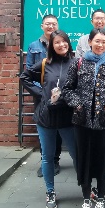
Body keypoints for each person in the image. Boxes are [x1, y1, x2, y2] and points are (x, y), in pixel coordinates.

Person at [61, 28, 105, 208]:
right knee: (84, 161)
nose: (100, 45)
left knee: (102, 161)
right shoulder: (78, 63)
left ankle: (101, 198)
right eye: (97, 41)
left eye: (104, 42)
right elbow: (67, 89)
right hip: (82, 122)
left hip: (104, 122)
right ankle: (87, 200)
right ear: (89, 42)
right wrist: (77, 104)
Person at [20, 30, 77, 208]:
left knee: (77, 154)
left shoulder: (76, 63)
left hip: (67, 117)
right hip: (46, 117)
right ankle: (50, 192)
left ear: (68, 43)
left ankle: (86, 187)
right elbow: (24, 77)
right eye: (57, 42)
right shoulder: (45, 63)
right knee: (48, 157)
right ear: (52, 45)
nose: (61, 45)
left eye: (64, 41)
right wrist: (42, 94)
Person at [25, 14, 63, 177]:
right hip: (42, 95)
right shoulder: (34, 46)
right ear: (42, 26)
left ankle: (55, 160)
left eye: (54, 24)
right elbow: (29, 71)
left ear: (57, 26)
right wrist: (40, 92)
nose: (51, 26)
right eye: (48, 24)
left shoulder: (61, 44)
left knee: (58, 127)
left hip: (58, 94)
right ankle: (45, 161)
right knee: (44, 127)